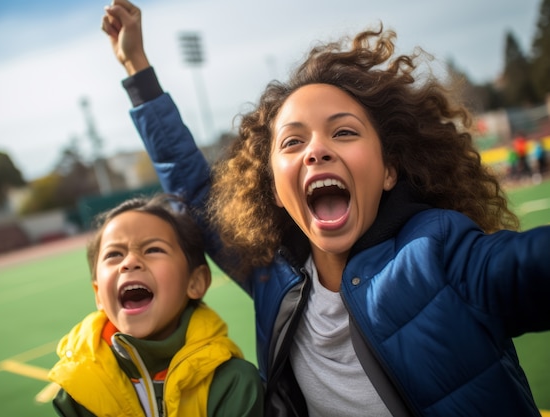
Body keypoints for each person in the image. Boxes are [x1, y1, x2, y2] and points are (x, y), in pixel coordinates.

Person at [102, 2, 550, 416]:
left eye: (344, 132)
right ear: (275, 190)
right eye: (293, 141)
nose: (316, 151)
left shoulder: (439, 250)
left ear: (389, 170)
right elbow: (198, 191)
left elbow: (526, 269)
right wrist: (137, 71)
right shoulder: (271, 277)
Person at [48, 194, 264, 417]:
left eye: (153, 249)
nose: (129, 262)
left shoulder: (232, 383)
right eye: (114, 254)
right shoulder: (78, 390)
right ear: (99, 295)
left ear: (195, 282)